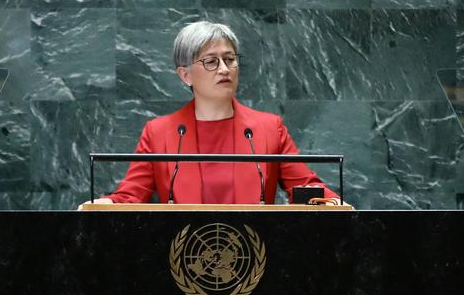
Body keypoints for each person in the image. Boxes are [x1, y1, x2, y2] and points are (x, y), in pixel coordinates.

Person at [79, 21, 340, 207]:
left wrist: (332, 201)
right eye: (211, 61)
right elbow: (131, 196)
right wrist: (105, 203)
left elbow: (305, 187)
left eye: (230, 59)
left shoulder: (269, 128)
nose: (224, 69)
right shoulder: (159, 133)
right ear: (185, 75)